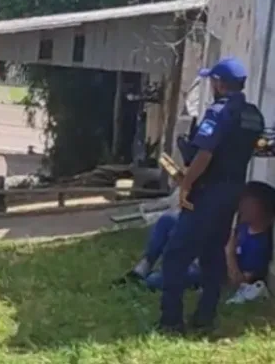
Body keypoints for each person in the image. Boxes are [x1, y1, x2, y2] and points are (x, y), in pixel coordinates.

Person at [157, 57, 265, 334]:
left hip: (208, 191)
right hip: (233, 192)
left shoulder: (219, 112)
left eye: (212, 81)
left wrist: (186, 184)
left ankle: (171, 322)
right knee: (212, 255)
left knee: (176, 256)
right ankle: (205, 317)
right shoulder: (253, 114)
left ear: (218, 83)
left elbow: (205, 154)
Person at [115, 181, 275, 298]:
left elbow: (237, 283)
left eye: (246, 205)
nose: (240, 208)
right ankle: (143, 267)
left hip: (210, 272)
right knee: (168, 220)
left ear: (259, 208)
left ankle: (159, 274)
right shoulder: (243, 224)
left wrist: (229, 253)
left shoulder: (260, 244)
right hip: (205, 252)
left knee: (154, 281)